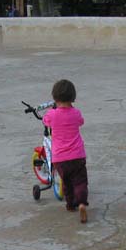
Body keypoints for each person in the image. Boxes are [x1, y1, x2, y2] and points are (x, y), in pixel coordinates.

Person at [43, 80, 89, 223]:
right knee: (80, 181)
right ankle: (81, 203)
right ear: (73, 97)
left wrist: (52, 111)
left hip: (60, 158)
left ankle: (70, 205)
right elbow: (81, 122)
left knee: (67, 183)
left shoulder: (52, 114)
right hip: (77, 156)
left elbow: (45, 121)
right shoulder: (76, 113)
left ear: (55, 98)